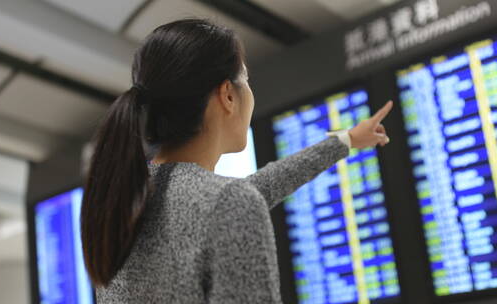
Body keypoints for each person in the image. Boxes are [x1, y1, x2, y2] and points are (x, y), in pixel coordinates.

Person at [81, 18, 392, 303]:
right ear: (227, 94)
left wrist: (345, 141)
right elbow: (232, 201)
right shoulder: (223, 202)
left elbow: (252, 191)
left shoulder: (125, 202)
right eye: (246, 78)